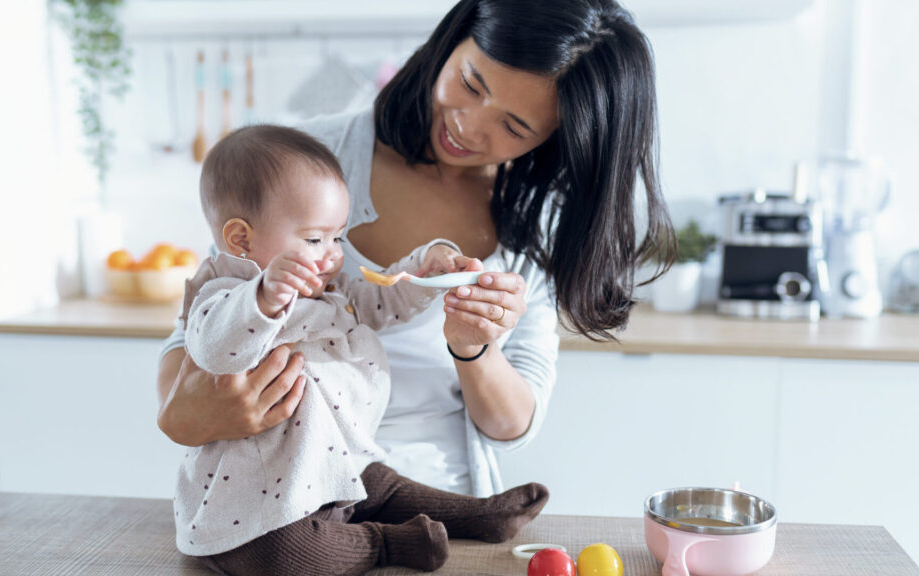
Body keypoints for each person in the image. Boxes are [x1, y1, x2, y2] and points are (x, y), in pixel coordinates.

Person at [157, 0, 675, 499]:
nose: (468, 125)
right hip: (287, 493)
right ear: (452, 41)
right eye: (470, 83)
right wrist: (195, 415)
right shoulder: (304, 163)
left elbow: (513, 427)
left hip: (441, 502)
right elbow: (193, 339)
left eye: (514, 127)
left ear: (555, 138)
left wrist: (475, 347)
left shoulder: (538, 227)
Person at [176, 124, 549, 575]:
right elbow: (214, 349)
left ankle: (476, 514)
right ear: (241, 240)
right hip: (259, 503)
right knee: (286, 556)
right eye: (315, 239)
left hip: (334, 459)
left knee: (381, 485)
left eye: (338, 238)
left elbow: (383, 301)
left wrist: (423, 269)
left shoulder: (327, 291)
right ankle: (385, 544)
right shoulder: (222, 295)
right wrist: (263, 297)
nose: (334, 254)